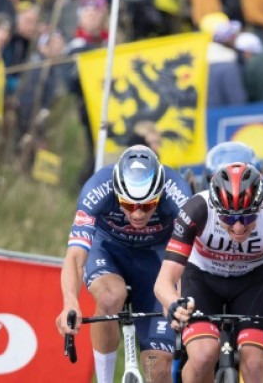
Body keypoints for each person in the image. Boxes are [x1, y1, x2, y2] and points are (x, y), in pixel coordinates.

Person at [55, 145, 192, 383]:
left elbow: (189, 258)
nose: (138, 214)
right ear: (117, 193)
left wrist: (176, 298)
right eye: (128, 205)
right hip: (108, 250)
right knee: (110, 298)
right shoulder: (98, 188)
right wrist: (69, 303)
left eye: (147, 205)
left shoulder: (178, 192)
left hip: (157, 258)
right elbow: (75, 257)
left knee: (158, 369)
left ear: (160, 194)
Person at [155, 162, 263, 383]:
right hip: (202, 277)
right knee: (202, 356)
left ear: (260, 206)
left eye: (248, 217)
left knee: (255, 363)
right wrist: (173, 304)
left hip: (254, 280)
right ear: (215, 207)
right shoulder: (196, 210)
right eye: (229, 218)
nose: (238, 227)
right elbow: (164, 281)